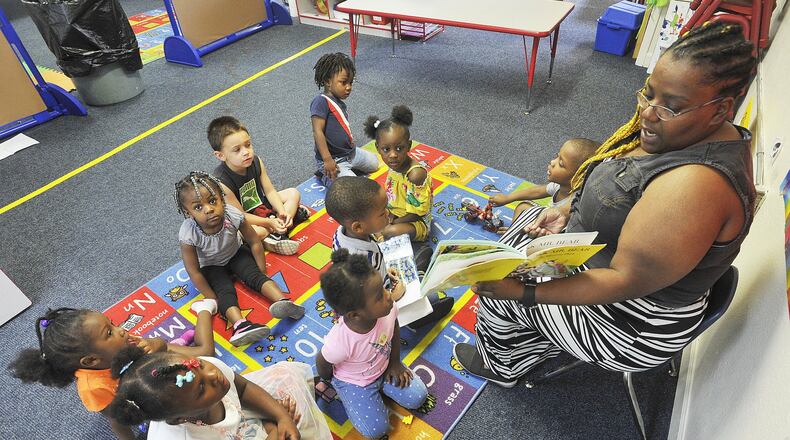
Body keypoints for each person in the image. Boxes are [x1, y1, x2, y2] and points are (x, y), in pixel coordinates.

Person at [453, 21, 757, 388]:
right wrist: (567, 209)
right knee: (519, 235)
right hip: (608, 266)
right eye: (649, 94)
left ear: (721, 109)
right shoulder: (686, 134)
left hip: (632, 322)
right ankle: (535, 333)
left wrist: (526, 292)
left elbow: (623, 279)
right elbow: (623, 184)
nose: (648, 113)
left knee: (498, 294)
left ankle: (502, 367)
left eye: (671, 107)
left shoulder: (695, 186)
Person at [9, 305, 216, 440]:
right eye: (109, 332)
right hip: (148, 386)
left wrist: (157, 345)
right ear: (91, 360)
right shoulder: (95, 388)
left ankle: (204, 309)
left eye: (112, 323)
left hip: (158, 365)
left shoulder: (125, 342)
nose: (121, 330)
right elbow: (117, 421)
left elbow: (158, 350)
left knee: (205, 353)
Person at [175, 171, 305, 347]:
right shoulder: (188, 233)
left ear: (222, 198)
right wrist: (212, 298)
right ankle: (240, 325)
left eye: (213, 201)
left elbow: (253, 241)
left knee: (254, 276)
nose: (209, 209)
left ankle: (283, 302)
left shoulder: (233, 214)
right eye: (198, 207)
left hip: (236, 253)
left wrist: (261, 271)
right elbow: (193, 270)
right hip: (211, 266)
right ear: (188, 212)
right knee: (224, 292)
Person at [315, 249, 428, 439]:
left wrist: (395, 363)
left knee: (419, 397)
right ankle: (344, 392)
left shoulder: (387, 309)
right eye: (378, 296)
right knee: (376, 431)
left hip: (384, 368)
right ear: (354, 315)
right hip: (355, 382)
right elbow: (322, 362)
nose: (388, 295)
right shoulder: (340, 341)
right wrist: (329, 379)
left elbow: (395, 325)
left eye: (384, 287)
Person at [107, 346, 330, 439]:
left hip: (239, 422)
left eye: (200, 365)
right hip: (229, 431)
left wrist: (280, 416)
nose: (213, 375)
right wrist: (273, 431)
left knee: (287, 374)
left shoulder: (209, 372)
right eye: (202, 388)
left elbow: (242, 388)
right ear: (181, 418)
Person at [325, 176, 454, 328]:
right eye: (382, 213)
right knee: (428, 300)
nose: (388, 213)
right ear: (358, 227)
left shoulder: (342, 233)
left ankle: (417, 273)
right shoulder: (360, 264)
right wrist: (393, 296)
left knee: (416, 259)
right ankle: (415, 320)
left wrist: (384, 271)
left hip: (381, 282)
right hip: (375, 305)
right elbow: (366, 304)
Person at [208, 116, 309, 256]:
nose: (246, 152)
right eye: (237, 150)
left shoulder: (256, 161)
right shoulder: (221, 182)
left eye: (248, 144)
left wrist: (282, 211)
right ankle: (274, 233)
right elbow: (241, 216)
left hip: (261, 206)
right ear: (220, 155)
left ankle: (280, 224)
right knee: (247, 233)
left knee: (293, 193)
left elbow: (270, 191)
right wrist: (268, 223)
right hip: (244, 219)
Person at [488, 138, 598, 233]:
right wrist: (507, 198)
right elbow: (536, 191)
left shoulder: (576, 202)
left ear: (577, 178)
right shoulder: (559, 186)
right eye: (557, 156)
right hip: (544, 220)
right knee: (523, 207)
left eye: (561, 164)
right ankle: (515, 231)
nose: (552, 162)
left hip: (555, 234)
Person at [362, 105, 433, 243]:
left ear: (409, 145)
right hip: (395, 213)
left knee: (389, 231)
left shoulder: (415, 175)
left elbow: (418, 213)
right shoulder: (395, 165)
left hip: (415, 221)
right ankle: (381, 235)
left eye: (399, 148)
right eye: (386, 149)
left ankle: (382, 237)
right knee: (366, 213)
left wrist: (393, 222)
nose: (393, 155)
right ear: (378, 148)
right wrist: (388, 215)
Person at [311, 52, 378, 186]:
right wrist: (327, 159)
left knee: (374, 164)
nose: (349, 87)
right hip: (334, 160)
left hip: (350, 153)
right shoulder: (320, 101)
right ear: (328, 81)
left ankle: (346, 171)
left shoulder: (339, 102)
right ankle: (325, 175)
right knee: (351, 187)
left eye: (350, 83)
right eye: (343, 82)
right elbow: (317, 132)